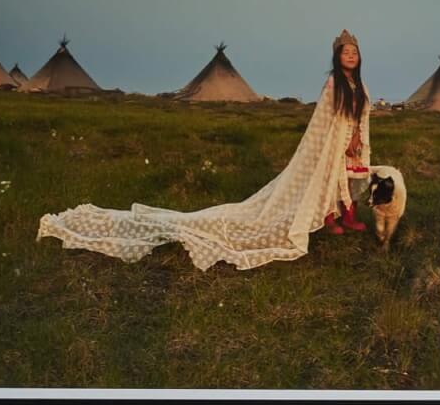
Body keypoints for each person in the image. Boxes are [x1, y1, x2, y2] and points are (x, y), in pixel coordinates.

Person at [37, 30, 375, 270]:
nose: (351, 55)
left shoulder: (358, 84)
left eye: (354, 51)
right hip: (335, 144)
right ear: (336, 56)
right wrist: (341, 141)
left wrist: (357, 138)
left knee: (345, 179)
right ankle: (331, 220)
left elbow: (359, 115)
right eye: (346, 51)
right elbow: (325, 121)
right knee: (327, 179)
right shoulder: (333, 84)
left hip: (353, 145)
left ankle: (348, 217)